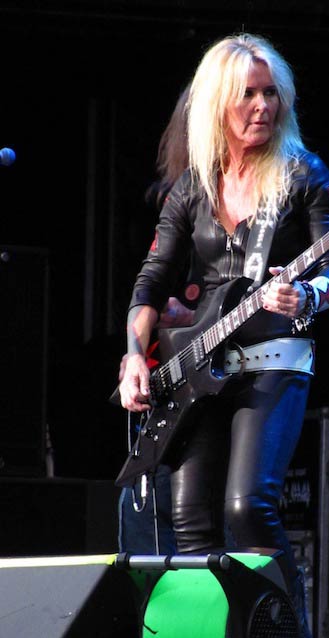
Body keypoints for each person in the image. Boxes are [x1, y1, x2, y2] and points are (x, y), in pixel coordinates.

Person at [118, 33, 329, 638]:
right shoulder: (194, 186)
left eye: (271, 91)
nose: (260, 105)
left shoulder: (304, 173)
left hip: (275, 362)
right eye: (247, 92)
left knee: (249, 508)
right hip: (200, 375)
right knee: (191, 525)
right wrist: (136, 357)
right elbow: (151, 283)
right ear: (219, 102)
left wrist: (306, 293)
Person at [118, 83, 194, 556]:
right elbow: (146, 292)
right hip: (165, 386)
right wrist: (134, 354)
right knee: (144, 515)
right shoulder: (172, 202)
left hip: (219, 384)